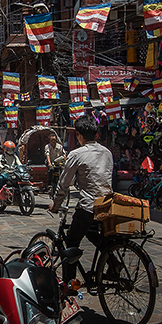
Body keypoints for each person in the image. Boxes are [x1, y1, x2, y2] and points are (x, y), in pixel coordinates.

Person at [48, 116, 113, 286]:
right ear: (96, 134)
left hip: (88, 206)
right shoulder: (107, 152)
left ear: (79, 135)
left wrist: (56, 205)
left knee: (71, 242)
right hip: (107, 205)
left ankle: (69, 284)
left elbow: (64, 183)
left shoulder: (77, 154)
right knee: (92, 233)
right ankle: (113, 263)